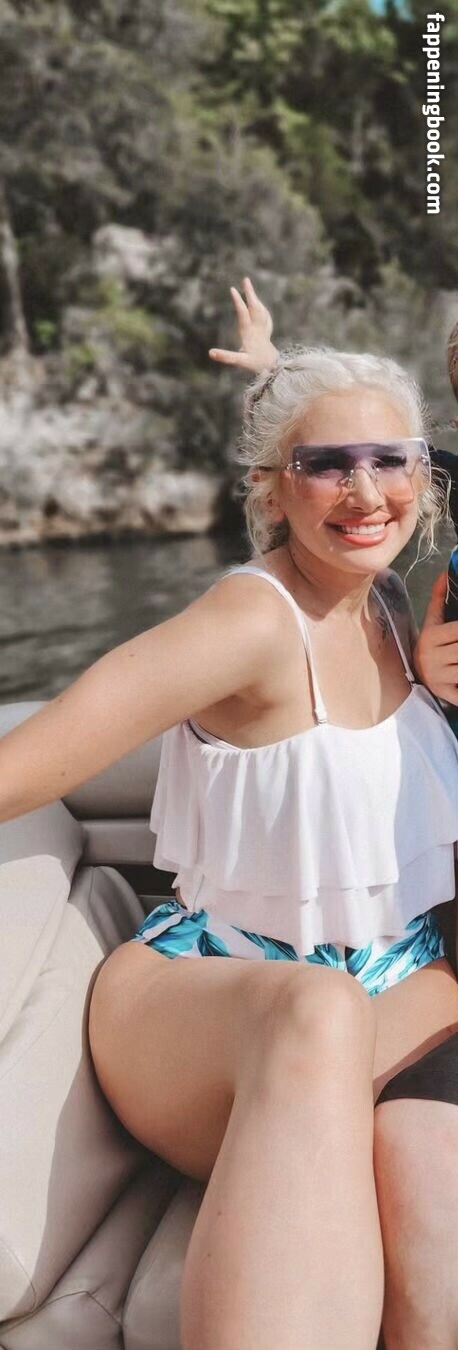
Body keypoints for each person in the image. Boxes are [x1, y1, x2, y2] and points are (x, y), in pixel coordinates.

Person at [2, 305, 458, 1350]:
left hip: (394, 980)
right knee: (317, 1010)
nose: (362, 492)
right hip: (212, 993)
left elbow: (341, 417)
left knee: (434, 1242)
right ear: (271, 488)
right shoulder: (248, 622)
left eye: (387, 461)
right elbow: (30, 761)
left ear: (422, 476)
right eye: (324, 466)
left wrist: (278, 369)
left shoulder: (398, 608)